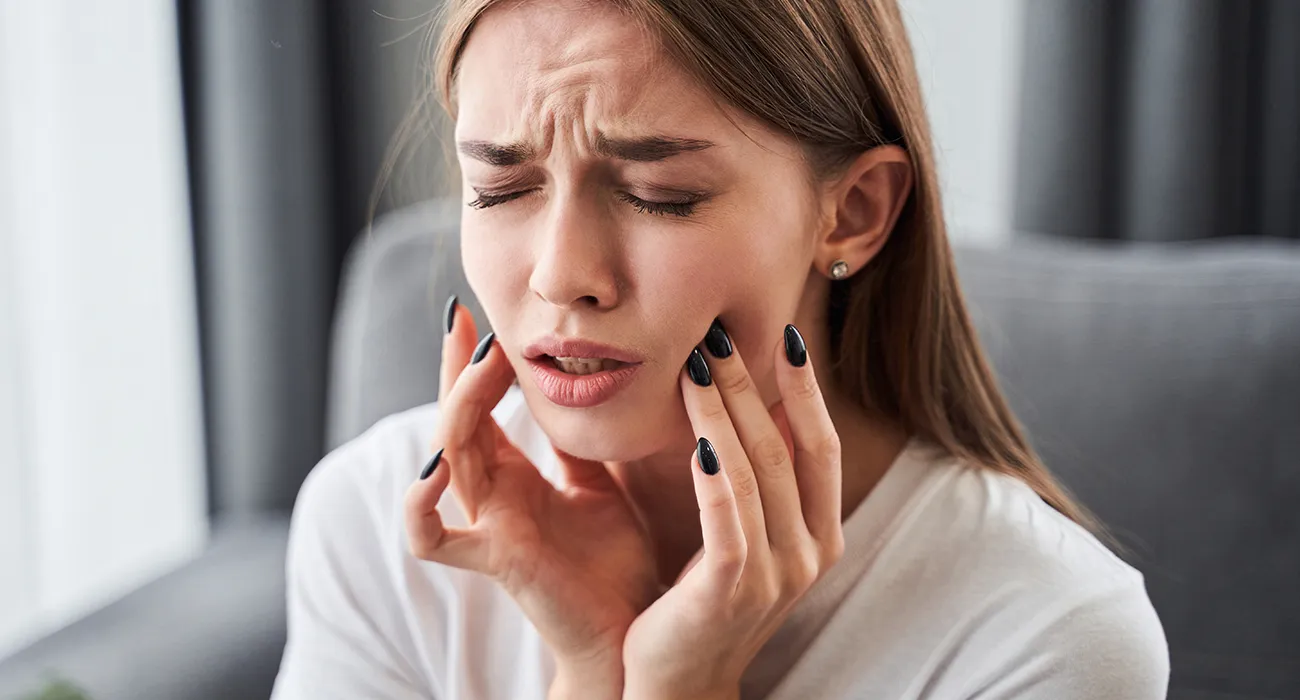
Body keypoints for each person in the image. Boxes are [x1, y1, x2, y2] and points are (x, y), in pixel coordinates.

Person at [271, 0, 1170, 697]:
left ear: (853, 212)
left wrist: (685, 686)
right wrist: (591, 668)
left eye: (659, 195)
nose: (561, 276)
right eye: (501, 189)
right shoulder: (377, 522)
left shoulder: (1049, 635)